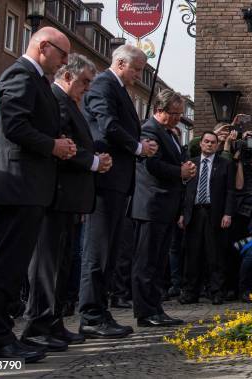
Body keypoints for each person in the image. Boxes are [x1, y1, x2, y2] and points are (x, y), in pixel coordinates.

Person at [0, 27, 74, 362]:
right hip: (19, 183)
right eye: (62, 54)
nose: (65, 62)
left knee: (16, 264)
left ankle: (4, 335)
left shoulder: (38, 82)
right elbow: (15, 125)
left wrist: (58, 140)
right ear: (44, 47)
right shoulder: (20, 75)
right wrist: (53, 145)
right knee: (7, 263)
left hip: (32, 185)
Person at [22, 54, 109, 351]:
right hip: (56, 195)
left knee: (61, 264)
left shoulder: (71, 103)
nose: (87, 89)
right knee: (46, 266)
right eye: (85, 82)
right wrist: (94, 161)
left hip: (70, 198)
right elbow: (63, 145)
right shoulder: (57, 101)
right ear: (69, 76)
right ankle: (37, 325)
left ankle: (54, 321)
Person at [78, 44, 157, 338]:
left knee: (110, 251)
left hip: (120, 182)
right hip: (106, 180)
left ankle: (101, 310)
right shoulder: (103, 85)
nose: (138, 76)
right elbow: (107, 125)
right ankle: (91, 315)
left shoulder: (119, 88)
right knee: (97, 251)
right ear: (121, 63)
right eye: (137, 69)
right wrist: (138, 147)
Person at [130, 89, 192, 327]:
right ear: (158, 110)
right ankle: (145, 311)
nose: (178, 118)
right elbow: (152, 165)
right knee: (146, 260)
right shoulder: (149, 130)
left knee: (158, 261)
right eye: (174, 113)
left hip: (166, 205)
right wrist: (180, 171)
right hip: (151, 205)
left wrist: (183, 169)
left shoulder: (170, 133)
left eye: (179, 113)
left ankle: (155, 307)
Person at [179, 131, 235, 305]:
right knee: (192, 254)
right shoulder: (191, 164)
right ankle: (190, 292)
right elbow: (184, 191)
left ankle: (217, 292)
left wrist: (228, 213)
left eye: (213, 142)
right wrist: (181, 213)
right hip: (194, 213)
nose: (209, 144)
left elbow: (230, 191)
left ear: (218, 145)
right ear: (201, 144)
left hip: (215, 213)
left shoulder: (225, 164)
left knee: (215, 254)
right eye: (206, 141)